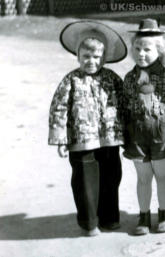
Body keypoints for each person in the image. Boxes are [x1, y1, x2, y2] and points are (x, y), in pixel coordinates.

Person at [48, 21, 127, 236]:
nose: (91, 62)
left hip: (110, 138)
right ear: (78, 56)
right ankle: (90, 221)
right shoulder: (71, 80)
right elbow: (59, 109)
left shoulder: (112, 79)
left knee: (111, 176)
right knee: (84, 180)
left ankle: (109, 217)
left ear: (104, 57)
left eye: (97, 57)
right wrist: (61, 138)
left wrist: (129, 134)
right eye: (86, 57)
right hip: (81, 140)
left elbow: (125, 105)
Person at [120, 18, 165, 235]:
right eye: (138, 48)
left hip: (161, 134)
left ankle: (163, 214)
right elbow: (123, 107)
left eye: (147, 49)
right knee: (143, 178)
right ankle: (143, 217)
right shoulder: (130, 78)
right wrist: (119, 133)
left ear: (159, 50)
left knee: (161, 175)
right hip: (136, 135)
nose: (141, 53)